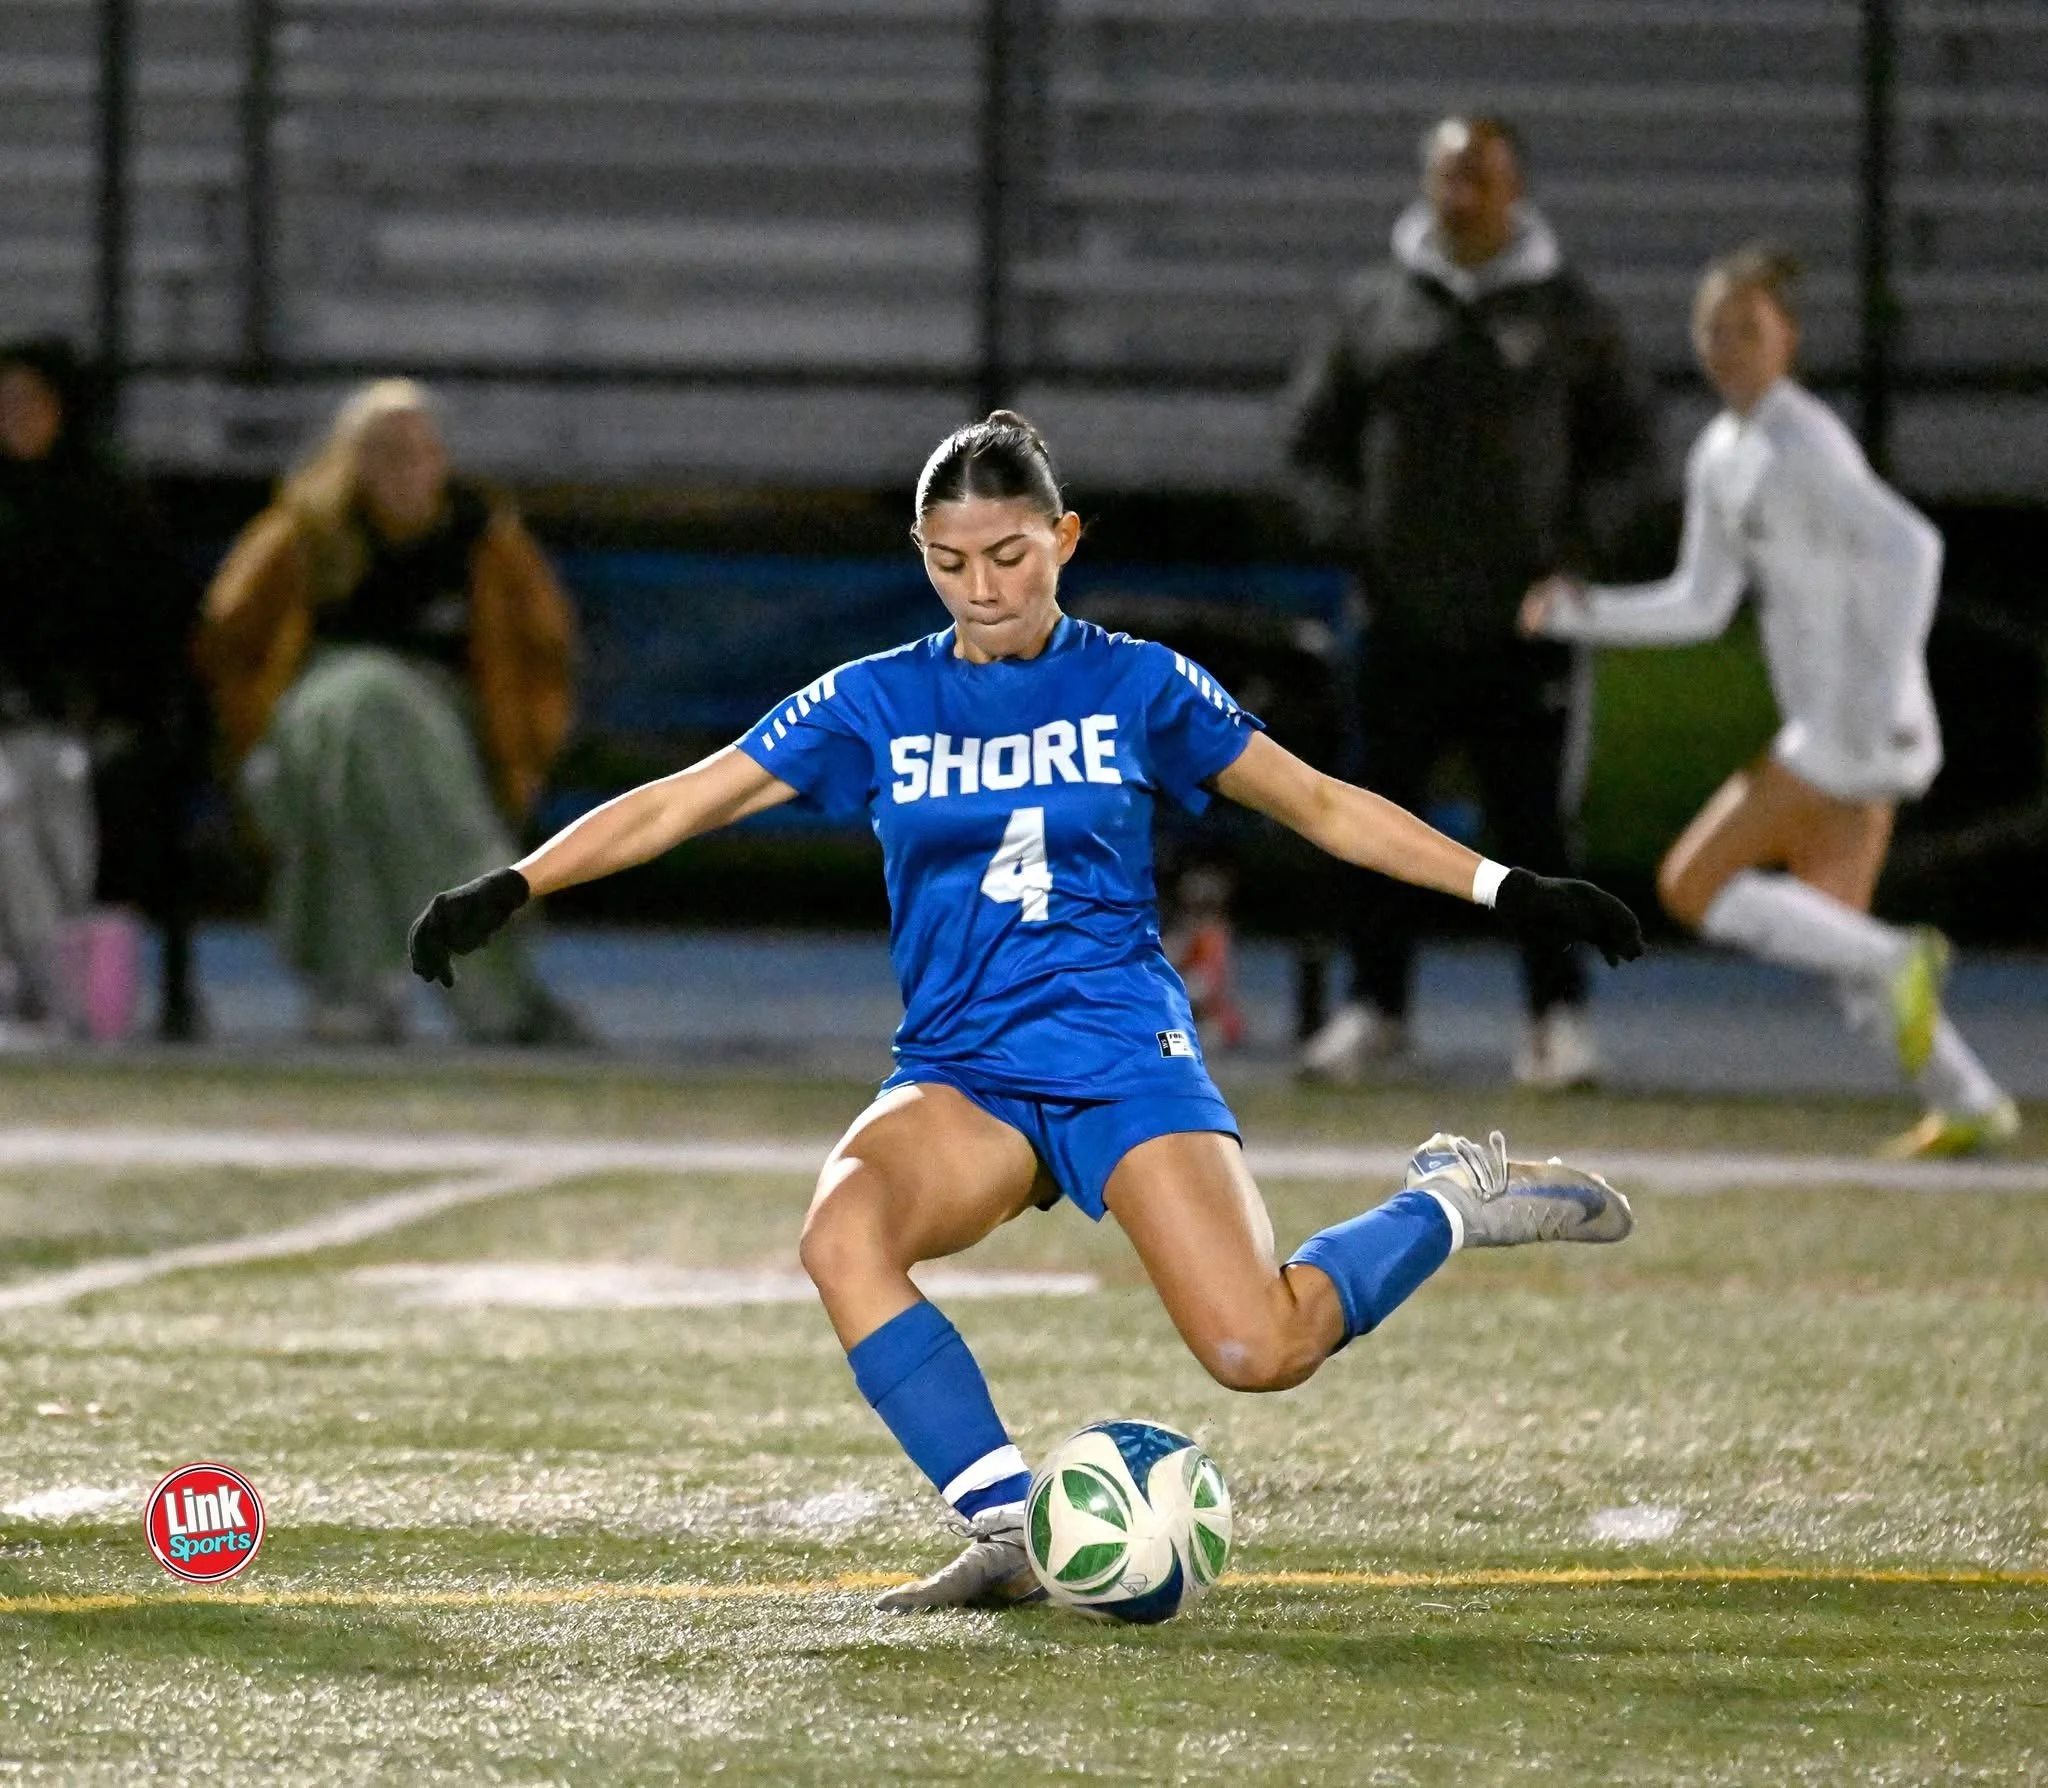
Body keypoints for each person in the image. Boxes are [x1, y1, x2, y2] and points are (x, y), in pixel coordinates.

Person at [409, 412, 1647, 1611]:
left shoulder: (1140, 684)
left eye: (1008, 555)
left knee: (1256, 1350)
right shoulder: (872, 701)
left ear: (1065, 537)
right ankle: (1003, 1522)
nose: (982, 587)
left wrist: (1503, 883)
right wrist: (515, 880)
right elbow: (684, 800)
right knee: (843, 1234)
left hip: (1117, 1049)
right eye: (949, 564)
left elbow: (1319, 805)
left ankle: (1444, 1203)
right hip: (963, 1068)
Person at [1522, 247, 2016, 1158]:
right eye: (1713, 328)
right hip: (1829, 727)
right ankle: (1971, 1099)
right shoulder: (1723, 451)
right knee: (1835, 941)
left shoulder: (1804, 442)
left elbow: (1915, 547)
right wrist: (1587, 616)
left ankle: (1904, 958)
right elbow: (1702, 605)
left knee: (1691, 882)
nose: (1727, 346)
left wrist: (1882, 691)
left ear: (1787, 340)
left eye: (1748, 329)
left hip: (1854, 732)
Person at [1283, 114, 1658, 1088]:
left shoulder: (1569, 311)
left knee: (1532, 828)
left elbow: (1629, 454)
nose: (1460, 195)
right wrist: (1357, 546)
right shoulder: (1373, 306)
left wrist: (1572, 557)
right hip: (1397, 618)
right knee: (1372, 820)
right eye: (1447, 176)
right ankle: (1375, 1012)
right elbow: (1308, 446)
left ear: (1514, 189)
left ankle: (1554, 1017)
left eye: (1479, 177)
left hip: (1521, 624)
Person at [198, 379, 583, 1045]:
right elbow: (228, 638)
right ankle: (496, 972)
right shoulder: (303, 535)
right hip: (308, 735)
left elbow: (544, 653)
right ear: (350, 458)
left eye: (417, 451)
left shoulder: (482, 539)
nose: (404, 468)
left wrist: (525, 750)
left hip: (446, 742)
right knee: (361, 703)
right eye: (384, 451)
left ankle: (352, 985)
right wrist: (250, 731)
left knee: (378, 740)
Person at [0, 337, 203, 1044]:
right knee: (9, 798)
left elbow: (150, 633)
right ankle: (41, 981)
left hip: (88, 723)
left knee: (55, 790)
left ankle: (56, 987)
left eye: (31, 403)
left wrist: (96, 706)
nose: (14, 416)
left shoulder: (112, 505)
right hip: (12, 726)